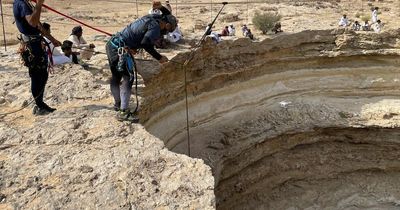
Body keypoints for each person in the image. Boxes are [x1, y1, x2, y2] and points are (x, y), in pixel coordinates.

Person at [106, 14, 176, 122]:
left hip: (112, 45)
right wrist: (159, 57)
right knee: (128, 77)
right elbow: (145, 43)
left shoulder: (150, 18)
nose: (166, 32)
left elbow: (137, 35)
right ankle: (123, 112)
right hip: (120, 49)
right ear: (166, 25)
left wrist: (132, 47)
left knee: (116, 76)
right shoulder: (156, 27)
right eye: (168, 29)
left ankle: (118, 104)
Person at [13, 0, 61, 115]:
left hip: (35, 43)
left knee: (42, 74)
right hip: (32, 46)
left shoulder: (25, 3)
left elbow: (38, 25)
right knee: (37, 75)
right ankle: (39, 105)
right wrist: (39, 4)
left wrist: (52, 39)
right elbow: (33, 22)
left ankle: (39, 103)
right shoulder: (22, 4)